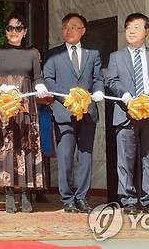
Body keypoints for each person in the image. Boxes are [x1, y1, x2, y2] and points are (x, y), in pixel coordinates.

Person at [105, 12, 149, 215]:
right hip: (126, 114)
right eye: (128, 27)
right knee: (125, 160)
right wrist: (124, 95)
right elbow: (111, 81)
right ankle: (129, 200)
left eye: (136, 27)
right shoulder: (116, 57)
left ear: (147, 31)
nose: (131, 31)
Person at [0, 13, 49, 213]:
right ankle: (9, 193)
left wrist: (41, 87)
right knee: (6, 146)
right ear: (6, 31)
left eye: (18, 28)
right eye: (10, 28)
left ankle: (26, 193)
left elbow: (38, 77)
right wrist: (0, 87)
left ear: (25, 31)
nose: (14, 32)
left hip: (26, 104)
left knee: (26, 145)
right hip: (4, 105)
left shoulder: (32, 53)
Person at [43, 13, 104, 213]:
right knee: (66, 156)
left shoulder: (92, 54)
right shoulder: (54, 54)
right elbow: (48, 80)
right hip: (64, 111)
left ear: (83, 31)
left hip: (87, 112)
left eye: (74, 27)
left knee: (85, 156)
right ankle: (67, 197)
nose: (69, 31)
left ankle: (83, 197)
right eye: (66, 27)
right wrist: (66, 98)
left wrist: (98, 91)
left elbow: (97, 78)